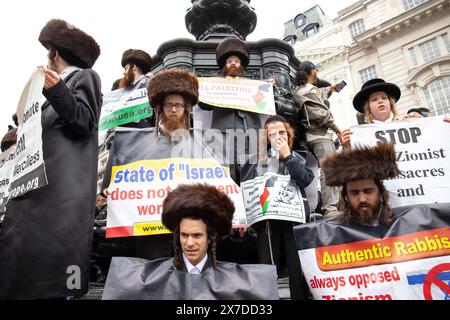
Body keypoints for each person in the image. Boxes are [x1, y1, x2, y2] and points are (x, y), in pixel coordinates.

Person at [0, 19, 102, 299]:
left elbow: (84, 120)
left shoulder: (84, 77)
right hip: (35, 191)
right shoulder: (45, 95)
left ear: (55, 53)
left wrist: (57, 88)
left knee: (52, 274)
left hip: (60, 194)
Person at [102, 183, 279, 300]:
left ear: (210, 238)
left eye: (197, 236)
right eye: (184, 235)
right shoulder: (148, 278)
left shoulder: (240, 282)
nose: (189, 243)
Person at [102, 68, 198, 261]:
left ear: (185, 109)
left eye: (178, 105)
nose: (173, 109)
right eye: (169, 104)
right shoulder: (134, 141)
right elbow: (118, 176)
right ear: (159, 108)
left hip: (190, 227)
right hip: (151, 227)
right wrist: (108, 190)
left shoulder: (201, 142)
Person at [241, 115, 314, 300]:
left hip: (293, 221)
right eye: (272, 134)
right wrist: (243, 218)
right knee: (269, 268)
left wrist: (287, 155)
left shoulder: (298, 157)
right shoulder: (255, 162)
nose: (278, 136)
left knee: (297, 269)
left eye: (282, 132)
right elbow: (246, 189)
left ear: (288, 135)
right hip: (267, 222)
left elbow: (305, 179)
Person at [198, 37, 262, 184]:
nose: (233, 63)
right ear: (225, 66)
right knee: (226, 169)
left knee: (250, 170)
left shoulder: (253, 86)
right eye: (229, 61)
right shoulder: (215, 84)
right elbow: (204, 106)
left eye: (236, 61)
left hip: (249, 133)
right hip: (223, 134)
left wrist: (268, 88)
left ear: (241, 66)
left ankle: (249, 203)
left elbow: (263, 102)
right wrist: (201, 91)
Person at [293, 60, 342, 217]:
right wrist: (338, 130)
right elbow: (320, 113)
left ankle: (332, 207)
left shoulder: (304, 90)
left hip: (316, 136)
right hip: (320, 136)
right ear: (313, 71)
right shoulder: (308, 90)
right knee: (330, 169)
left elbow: (320, 93)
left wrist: (332, 88)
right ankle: (331, 209)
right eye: (317, 71)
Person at [321, 141, 400, 226]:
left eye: (368, 191)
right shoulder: (337, 232)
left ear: (380, 191)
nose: (362, 199)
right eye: (354, 193)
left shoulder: (400, 225)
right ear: (346, 196)